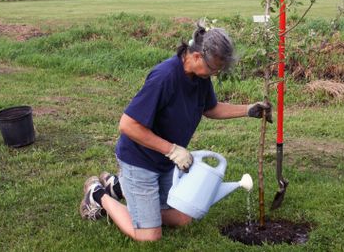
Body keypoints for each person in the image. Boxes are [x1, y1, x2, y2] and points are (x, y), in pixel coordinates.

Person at [79, 21, 272, 241]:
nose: (215, 73)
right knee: (149, 236)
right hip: (140, 160)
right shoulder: (164, 77)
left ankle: (119, 187)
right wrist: (172, 150)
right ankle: (98, 194)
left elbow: (211, 108)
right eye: (213, 68)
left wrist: (249, 110)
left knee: (183, 217)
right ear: (197, 56)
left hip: (165, 164)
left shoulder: (200, 77)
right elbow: (128, 125)